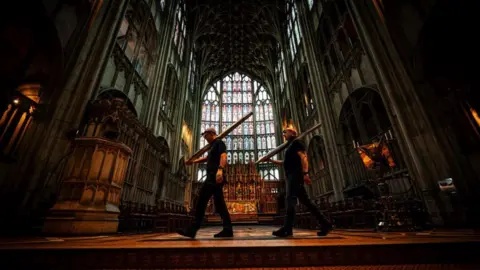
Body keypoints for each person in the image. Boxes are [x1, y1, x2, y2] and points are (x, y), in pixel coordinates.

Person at [266, 127, 332, 237]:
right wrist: (270, 160)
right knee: (307, 202)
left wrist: (305, 173)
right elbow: (285, 162)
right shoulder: (291, 145)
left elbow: (304, 157)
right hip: (293, 176)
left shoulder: (297, 142)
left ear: (292, 132)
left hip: (295, 176)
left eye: (285, 132)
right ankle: (326, 223)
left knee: (290, 200)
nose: (283, 135)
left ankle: (287, 228)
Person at [177, 127, 233, 238]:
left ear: (211, 134)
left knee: (201, 201)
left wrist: (220, 169)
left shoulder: (219, 142)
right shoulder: (213, 146)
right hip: (212, 177)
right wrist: (193, 162)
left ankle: (193, 229)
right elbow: (207, 158)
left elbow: (223, 155)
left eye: (205, 135)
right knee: (219, 203)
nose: (204, 137)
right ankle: (227, 229)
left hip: (214, 177)